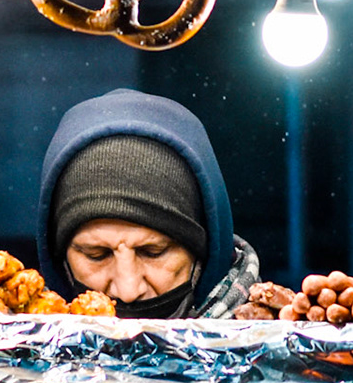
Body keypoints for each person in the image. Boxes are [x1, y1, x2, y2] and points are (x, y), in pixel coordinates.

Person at [36, 89, 259, 319]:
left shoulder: (276, 332)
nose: (128, 291)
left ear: (205, 253)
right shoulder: (15, 335)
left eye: (153, 252)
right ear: (61, 261)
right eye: (96, 255)